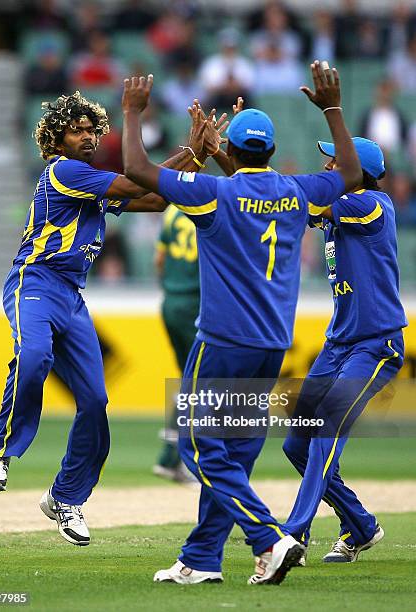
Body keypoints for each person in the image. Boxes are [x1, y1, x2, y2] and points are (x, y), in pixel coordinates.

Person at [120, 62, 362, 585]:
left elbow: (138, 171)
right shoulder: (298, 192)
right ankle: (202, 559)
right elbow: (350, 173)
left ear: (236, 150)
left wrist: (134, 113)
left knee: (199, 449)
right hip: (271, 344)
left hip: (223, 342)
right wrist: (333, 110)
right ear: (271, 151)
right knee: (234, 453)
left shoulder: (215, 194)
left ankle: (268, 537)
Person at [0, 90, 213, 546]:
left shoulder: (89, 182)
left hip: (71, 297)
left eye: (91, 131)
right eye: (76, 131)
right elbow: (133, 183)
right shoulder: (64, 172)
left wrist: (199, 154)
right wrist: (187, 149)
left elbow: (155, 200)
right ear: (56, 139)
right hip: (35, 282)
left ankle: (65, 497)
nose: (86, 137)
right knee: (34, 355)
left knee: (95, 402)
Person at [282, 137, 407, 563]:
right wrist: (236, 163)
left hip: (376, 344)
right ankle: (360, 525)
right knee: (296, 444)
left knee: (326, 428)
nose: (328, 164)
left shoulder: (371, 203)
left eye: (336, 159)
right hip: (339, 343)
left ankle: (292, 534)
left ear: (359, 170)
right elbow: (273, 201)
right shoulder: (340, 206)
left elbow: (295, 197)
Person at [153, 206, 200, 483]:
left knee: (191, 380)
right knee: (203, 381)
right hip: (197, 303)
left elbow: (159, 259)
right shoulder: (212, 201)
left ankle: (171, 457)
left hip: (171, 302)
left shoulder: (171, 210)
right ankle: (179, 457)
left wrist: (171, 287)